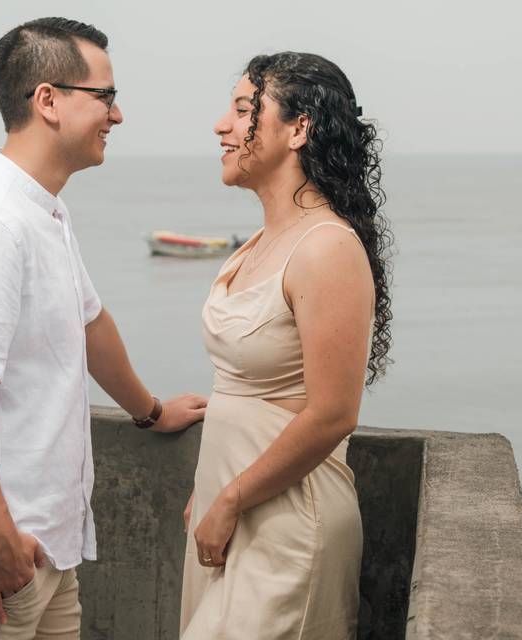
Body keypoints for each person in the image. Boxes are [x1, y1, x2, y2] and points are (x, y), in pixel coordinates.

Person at [0, 17, 207, 640]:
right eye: (106, 97)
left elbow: (90, 323)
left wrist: (150, 411)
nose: (116, 116)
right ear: (48, 100)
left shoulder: (42, 208)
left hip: (47, 544)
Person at [180, 52, 393, 639]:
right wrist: (213, 490)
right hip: (232, 514)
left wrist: (230, 499)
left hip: (287, 523)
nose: (222, 125)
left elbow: (332, 414)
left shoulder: (326, 248)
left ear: (299, 129)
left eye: (244, 110)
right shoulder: (259, 243)